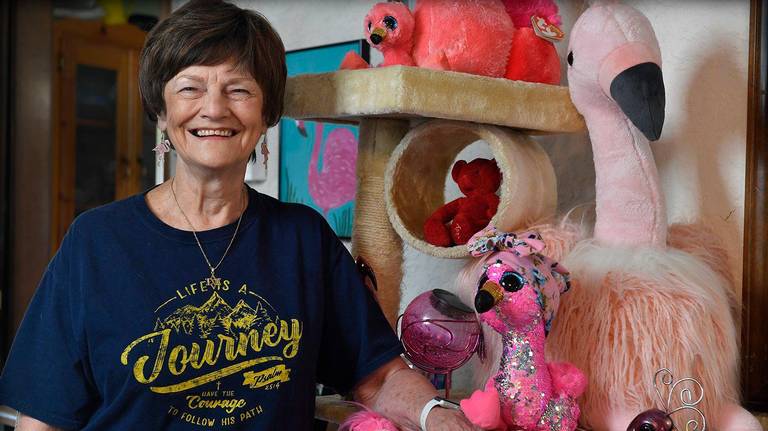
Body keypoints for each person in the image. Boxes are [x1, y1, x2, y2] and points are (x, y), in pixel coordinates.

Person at [0, 1, 480, 430]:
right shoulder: (96, 241)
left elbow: (379, 378)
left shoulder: (303, 239)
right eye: (190, 88)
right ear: (161, 111)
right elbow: (44, 418)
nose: (213, 108)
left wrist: (436, 415)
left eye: (238, 89)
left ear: (266, 112)